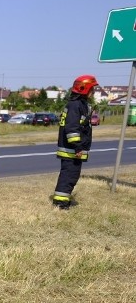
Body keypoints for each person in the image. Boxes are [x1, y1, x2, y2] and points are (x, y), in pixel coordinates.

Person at [52, 74, 98, 210]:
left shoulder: (79, 105)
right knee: (68, 177)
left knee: (71, 176)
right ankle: (61, 204)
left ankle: (63, 200)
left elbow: (79, 125)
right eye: (92, 89)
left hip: (73, 149)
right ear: (84, 89)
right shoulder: (75, 105)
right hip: (71, 150)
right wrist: (78, 147)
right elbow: (71, 129)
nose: (93, 92)